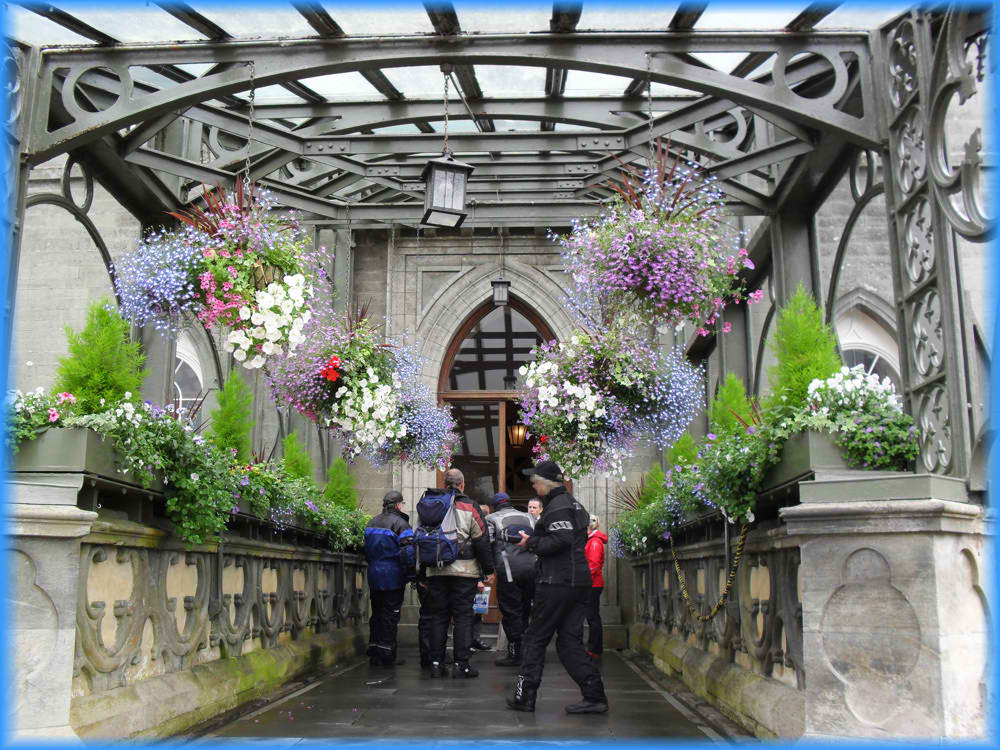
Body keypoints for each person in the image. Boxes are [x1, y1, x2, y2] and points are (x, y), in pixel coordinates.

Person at [507, 461, 608, 714]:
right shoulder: (573, 504)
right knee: (569, 642)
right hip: (578, 581)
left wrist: (530, 543)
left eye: (535, 481)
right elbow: (570, 538)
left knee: (534, 638)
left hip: (557, 581)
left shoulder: (557, 506)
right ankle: (594, 696)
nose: (533, 485)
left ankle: (525, 697)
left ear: (546, 482)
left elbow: (560, 540)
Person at [423, 468, 494, 678]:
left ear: (444, 484)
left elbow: (420, 538)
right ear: (462, 485)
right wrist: (488, 570)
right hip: (465, 571)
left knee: (438, 616)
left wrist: (420, 573)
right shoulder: (470, 506)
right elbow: (482, 540)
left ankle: (436, 663)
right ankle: (461, 664)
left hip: (436, 569)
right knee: (463, 616)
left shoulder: (430, 503)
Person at [485, 491, 537, 667]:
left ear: (495, 506)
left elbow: (487, 544)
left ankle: (516, 653)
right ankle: (528, 651)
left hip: (508, 571)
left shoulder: (491, 519)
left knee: (510, 611)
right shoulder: (529, 517)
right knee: (526, 609)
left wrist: (487, 570)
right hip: (532, 569)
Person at [363, 490, 414, 667]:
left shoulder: (371, 522)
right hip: (393, 575)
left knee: (377, 613)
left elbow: (366, 549)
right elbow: (408, 553)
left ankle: (375, 651)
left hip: (374, 574)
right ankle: (387, 654)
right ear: (398, 505)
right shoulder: (401, 524)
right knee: (390, 615)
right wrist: (411, 574)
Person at [469, 502, 495, 653]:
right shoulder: (477, 533)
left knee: (478, 609)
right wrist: (479, 579)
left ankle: (474, 639)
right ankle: (471, 640)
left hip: (477, 576)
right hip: (474, 576)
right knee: (473, 611)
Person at [584, 515, 607, 659]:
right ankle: (594, 648)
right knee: (593, 616)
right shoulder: (592, 540)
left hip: (592, 584)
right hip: (593, 583)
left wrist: (583, 580)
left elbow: (593, 565)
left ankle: (594, 649)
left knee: (592, 617)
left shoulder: (594, 542)